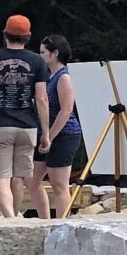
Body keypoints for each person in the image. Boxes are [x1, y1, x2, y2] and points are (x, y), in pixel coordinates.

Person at [0, 14, 44, 217]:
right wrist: (46, 132)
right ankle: (15, 217)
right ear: (28, 36)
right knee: (19, 177)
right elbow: (41, 99)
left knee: (0, 176)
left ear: (5, 33)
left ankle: (10, 219)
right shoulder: (37, 61)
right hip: (28, 127)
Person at [33, 35, 84, 220]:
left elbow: (66, 110)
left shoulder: (64, 77)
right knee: (32, 179)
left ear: (54, 53)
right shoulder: (49, 76)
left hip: (64, 134)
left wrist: (50, 136)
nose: (40, 56)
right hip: (46, 133)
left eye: (43, 52)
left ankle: (63, 222)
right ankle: (44, 219)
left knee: (59, 184)